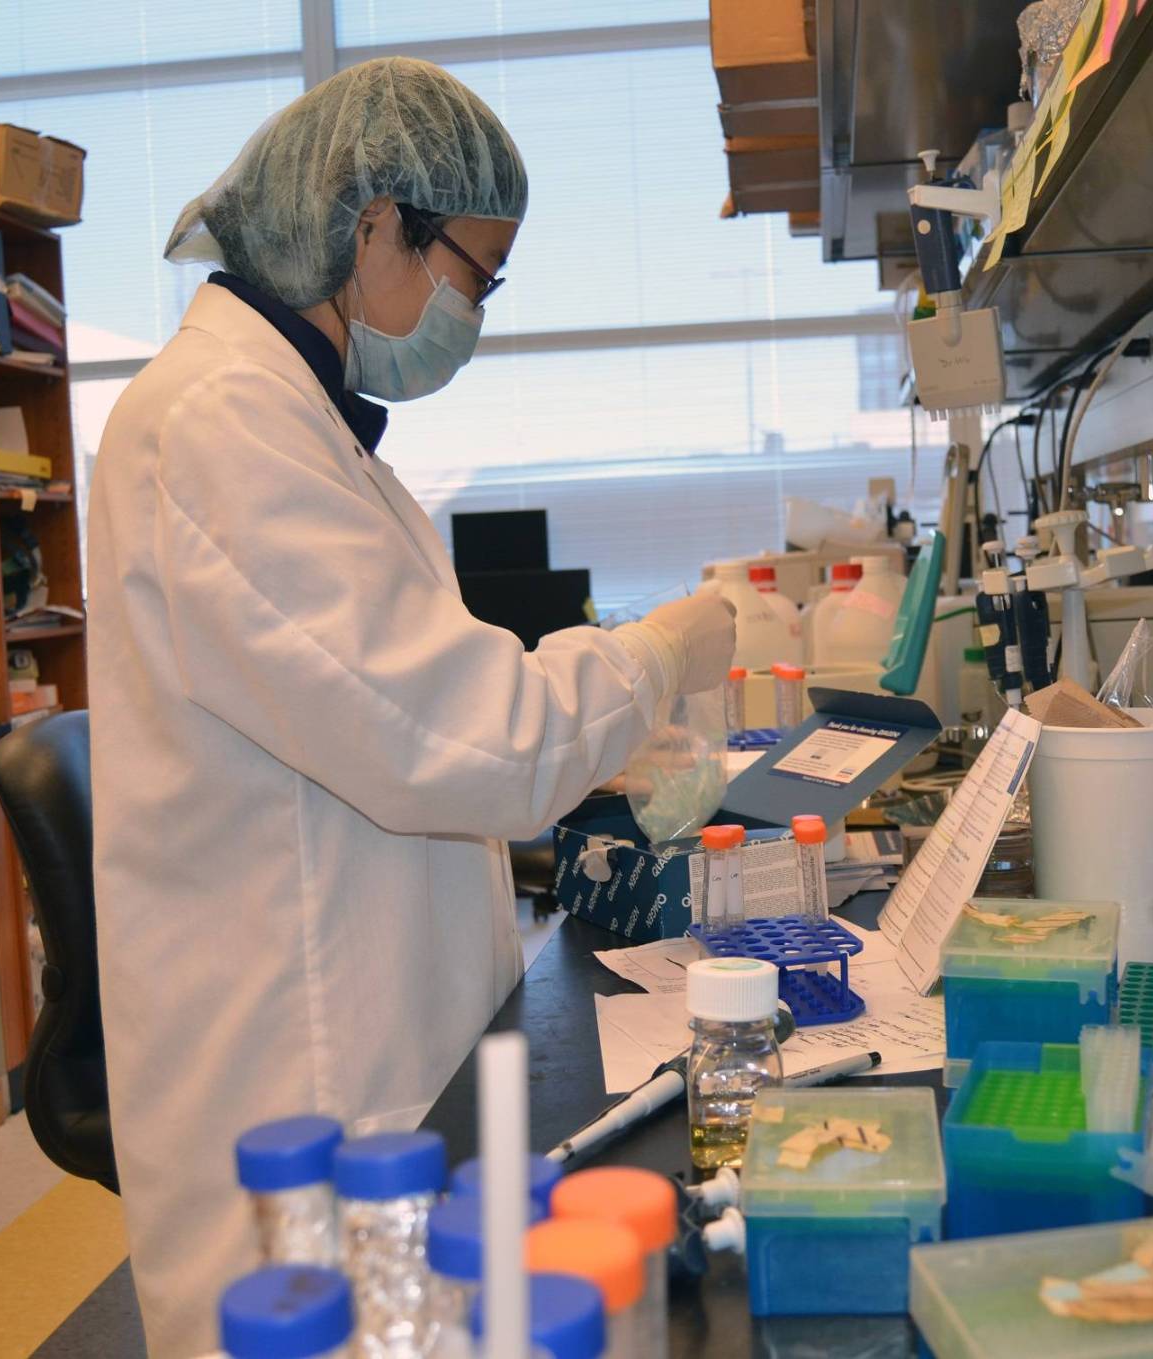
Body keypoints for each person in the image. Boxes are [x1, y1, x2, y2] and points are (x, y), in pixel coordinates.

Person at [87, 57, 734, 1356]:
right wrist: (668, 649)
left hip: (387, 1047)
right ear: (374, 222)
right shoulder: (220, 426)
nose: (473, 313)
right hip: (307, 1094)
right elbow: (467, 738)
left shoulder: (306, 428)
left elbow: (415, 708)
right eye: (474, 275)